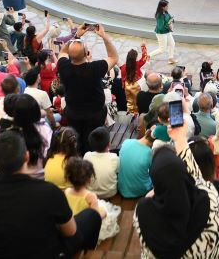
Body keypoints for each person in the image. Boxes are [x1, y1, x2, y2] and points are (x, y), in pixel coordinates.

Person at [0, 131, 102, 258]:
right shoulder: (49, 191)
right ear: (27, 156)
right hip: (47, 254)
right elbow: (71, 232)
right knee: (92, 215)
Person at [134, 119, 219, 259]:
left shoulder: (142, 214)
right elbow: (197, 179)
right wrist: (180, 138)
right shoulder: (209, 195)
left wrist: (180, 139)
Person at [57, 24, 119, 153]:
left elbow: (62, 51)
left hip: (73, 113)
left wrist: (76, 36)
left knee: (77, 138)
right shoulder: (95, 68)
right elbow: (114, 57)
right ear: (87, 53)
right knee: (92, 140)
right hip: (95, 114)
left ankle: (79, 155)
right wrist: (104, 36)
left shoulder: (63, 67)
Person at [83, 126, 119, 199]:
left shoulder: (87, 156)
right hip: (111, 193)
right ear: (109, 144)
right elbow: (117, 172)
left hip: (91, 192)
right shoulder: (114, 157)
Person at [117, 129, 154, 198]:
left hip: (122, 189)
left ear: (146, 132)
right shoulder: (150, 153)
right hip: (141, 190)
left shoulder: (126, 142)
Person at [148, 0, 176, 64]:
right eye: (167, 6)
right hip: (161, 33)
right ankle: (148, 56)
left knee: (172, 44)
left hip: (167, 32)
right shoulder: (159, 15)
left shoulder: (166, 12)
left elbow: (169, 18)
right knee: (162, 49)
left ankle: (170, 58)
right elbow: (161, 27)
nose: (168, 7)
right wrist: (169, 26)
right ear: (162, 7)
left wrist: (172, 21)